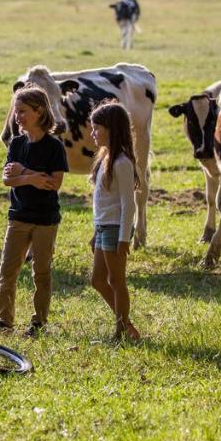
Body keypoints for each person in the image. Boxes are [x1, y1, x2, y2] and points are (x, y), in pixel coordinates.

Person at [0, 86, 67, 336]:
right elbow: (7, 180)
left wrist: (23, 173)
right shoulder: (16, 144)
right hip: (18, 216)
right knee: (7, 271)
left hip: (45, 220)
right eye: (16, 112)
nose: (17, 117)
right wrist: (32, 177)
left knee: (42, 273)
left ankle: (39, 321)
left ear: (39, 111)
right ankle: (4, 321)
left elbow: (54, 183)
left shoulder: (54, 147)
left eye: (22, 111)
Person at [88, 101, 141, 341]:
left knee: (116, 280)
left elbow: (129, 203)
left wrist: (124, 238)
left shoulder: (122, 163)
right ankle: (127, 325)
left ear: (112, 129)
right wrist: (94, 231)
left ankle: (120, 330)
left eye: (97, 128)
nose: (93, 133)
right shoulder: (104, 159)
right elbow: (102, 201)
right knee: (97, 279)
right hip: (102, 227)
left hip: (115, 229)